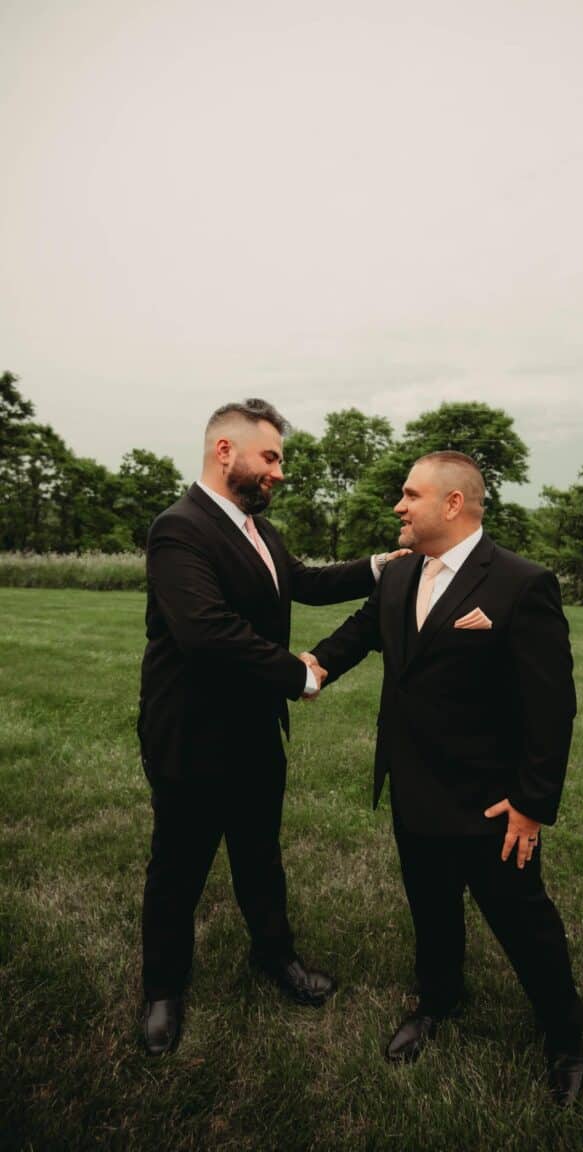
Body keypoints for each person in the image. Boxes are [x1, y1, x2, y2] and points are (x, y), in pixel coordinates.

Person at [308, 450, 583, 1106]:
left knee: (525, 924)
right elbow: (353, 636)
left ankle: (565, 1034)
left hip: (491, 805)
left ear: (453, 504)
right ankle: (437, 1002)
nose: (398, 507)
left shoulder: (521, 584)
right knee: (431, 913)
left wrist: (531, 804)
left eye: (410, 495)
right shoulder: (401, 576)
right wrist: (308, 668)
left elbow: (552, 708)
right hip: (413, 789)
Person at [138, 398, 401, 1056]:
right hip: (192, 734)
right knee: (179, 867)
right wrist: (298, 673)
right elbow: (204, 632)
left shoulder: (261, 531)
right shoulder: (179, 529)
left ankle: (275, 956)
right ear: (225, 451)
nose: (280, 472)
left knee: (260, 853)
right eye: (271, 456)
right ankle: (163, 990)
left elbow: (302, 583)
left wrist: (377, 567)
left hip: (255, 731)